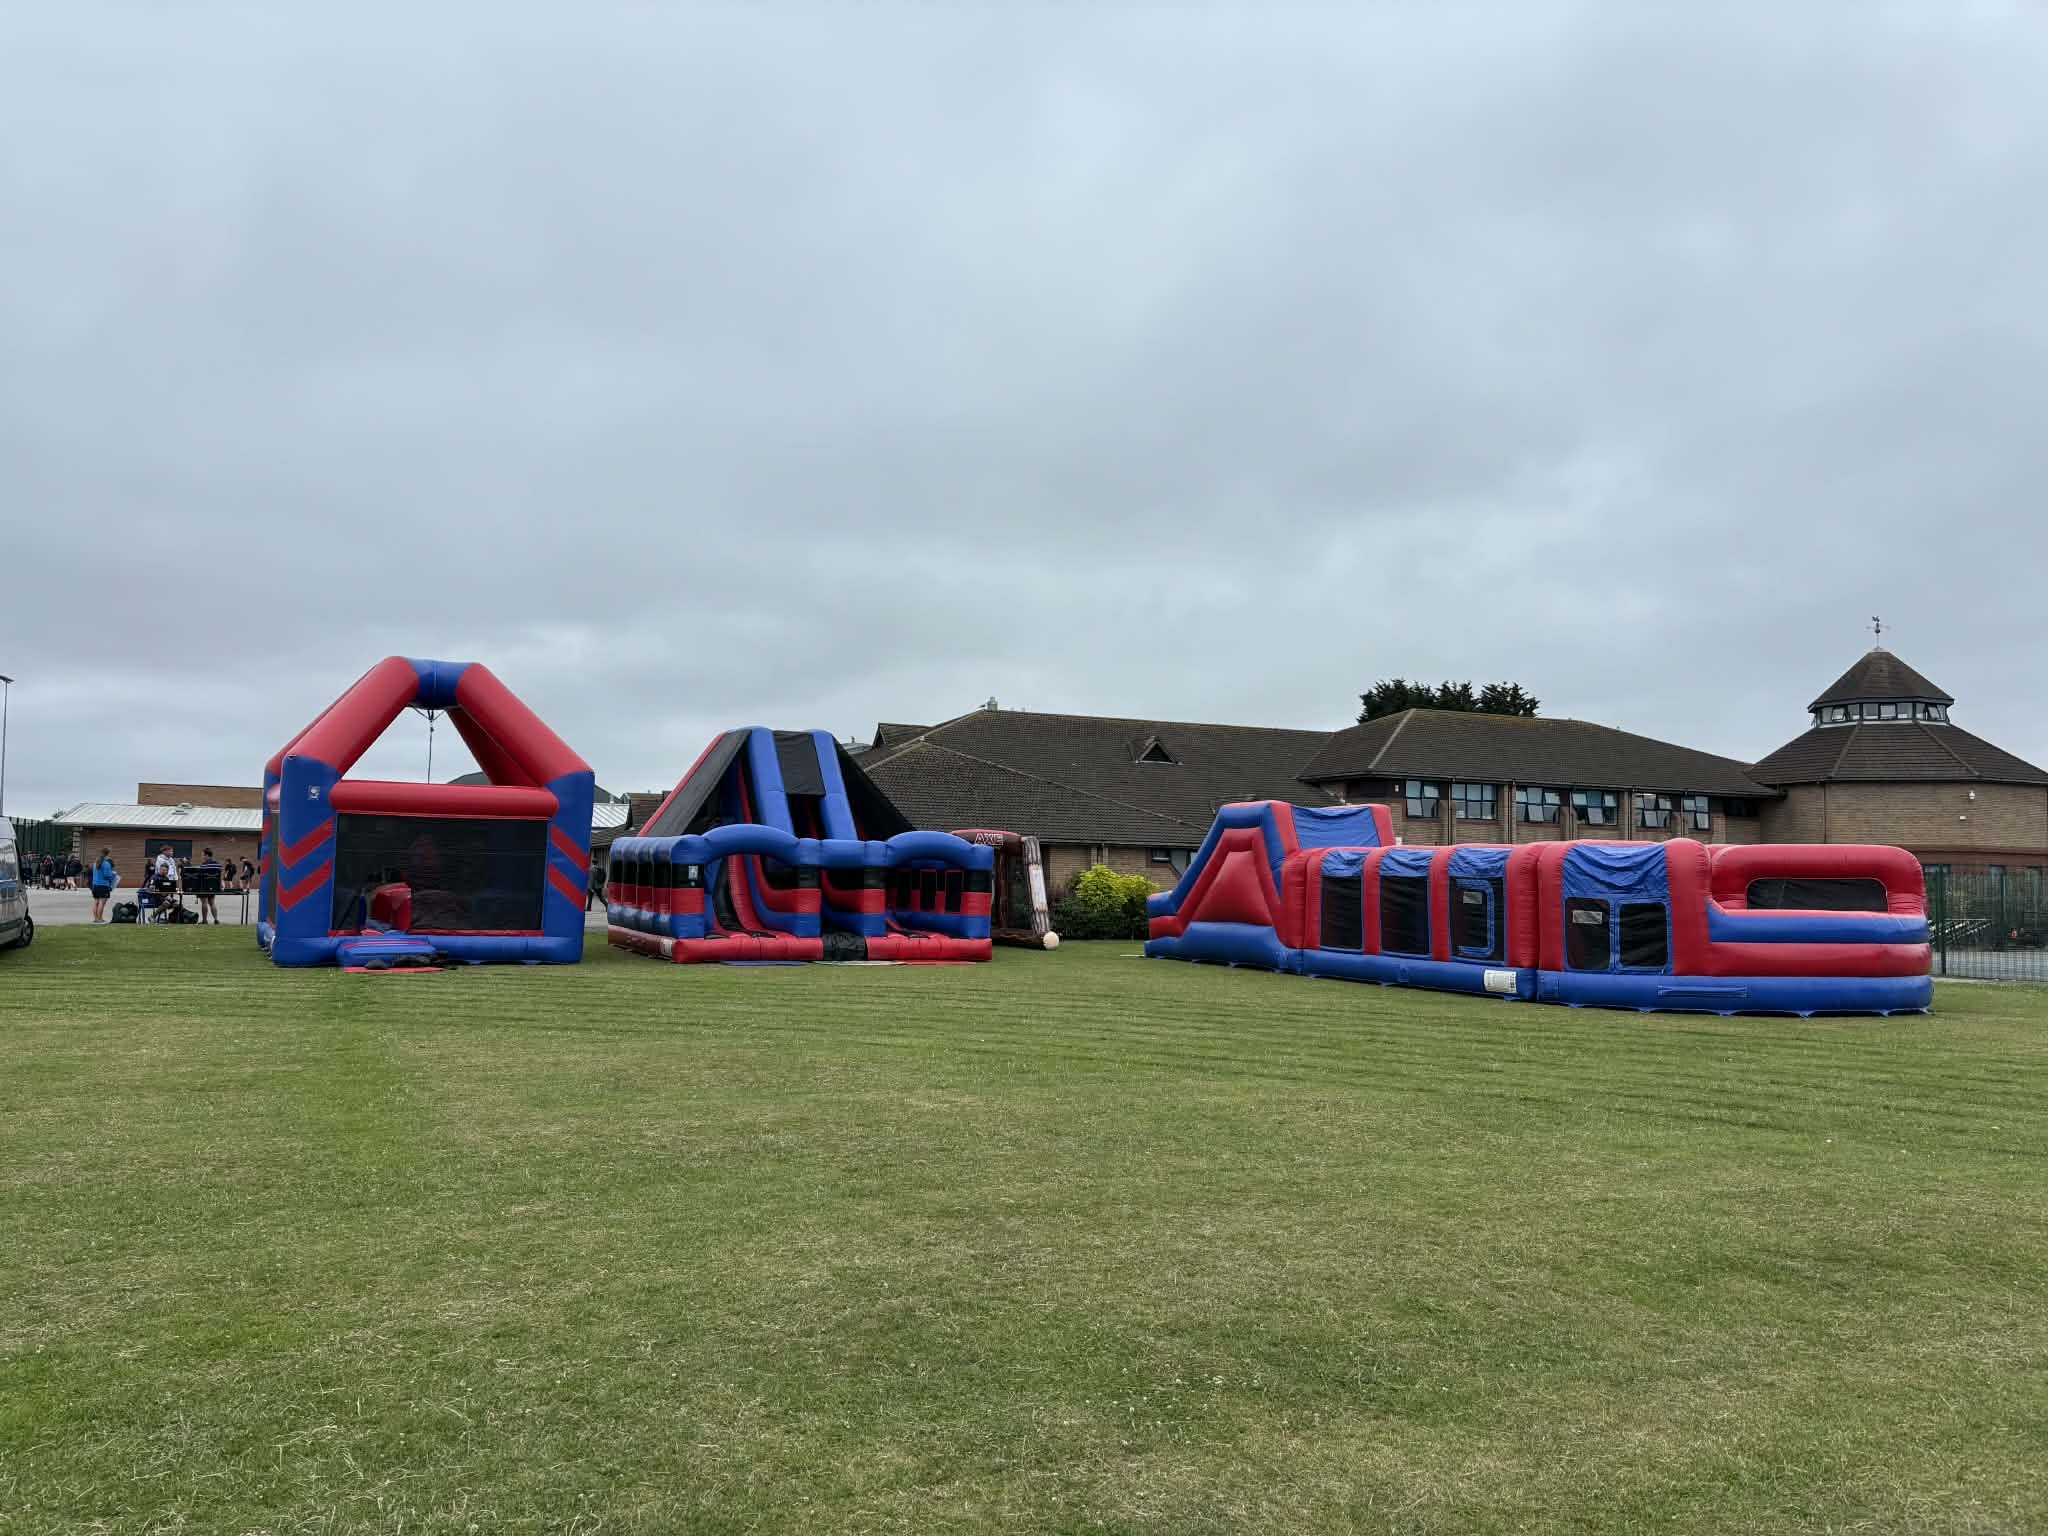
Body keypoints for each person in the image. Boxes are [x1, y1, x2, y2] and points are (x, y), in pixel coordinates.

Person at [90, 847, 117, 924]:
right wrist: (113, 874)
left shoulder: (96, 863)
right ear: (108, 854)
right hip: (103, 885)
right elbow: (107, 875)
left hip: (95, 885)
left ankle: (96, 918)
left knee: (96, 902)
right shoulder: (106, 863)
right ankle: (100, 918)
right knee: (102, 902)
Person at [196, 846, 222, 925]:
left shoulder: (203, 865)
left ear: (206, 855)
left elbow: (199, 876)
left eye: (202, 855)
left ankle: (204, 921)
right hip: (214, 887)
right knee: (212, 903)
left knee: (204, 902)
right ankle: (216, 920)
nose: (202, 857)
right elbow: (219, 876)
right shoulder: (218, 864)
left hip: (204, 886)